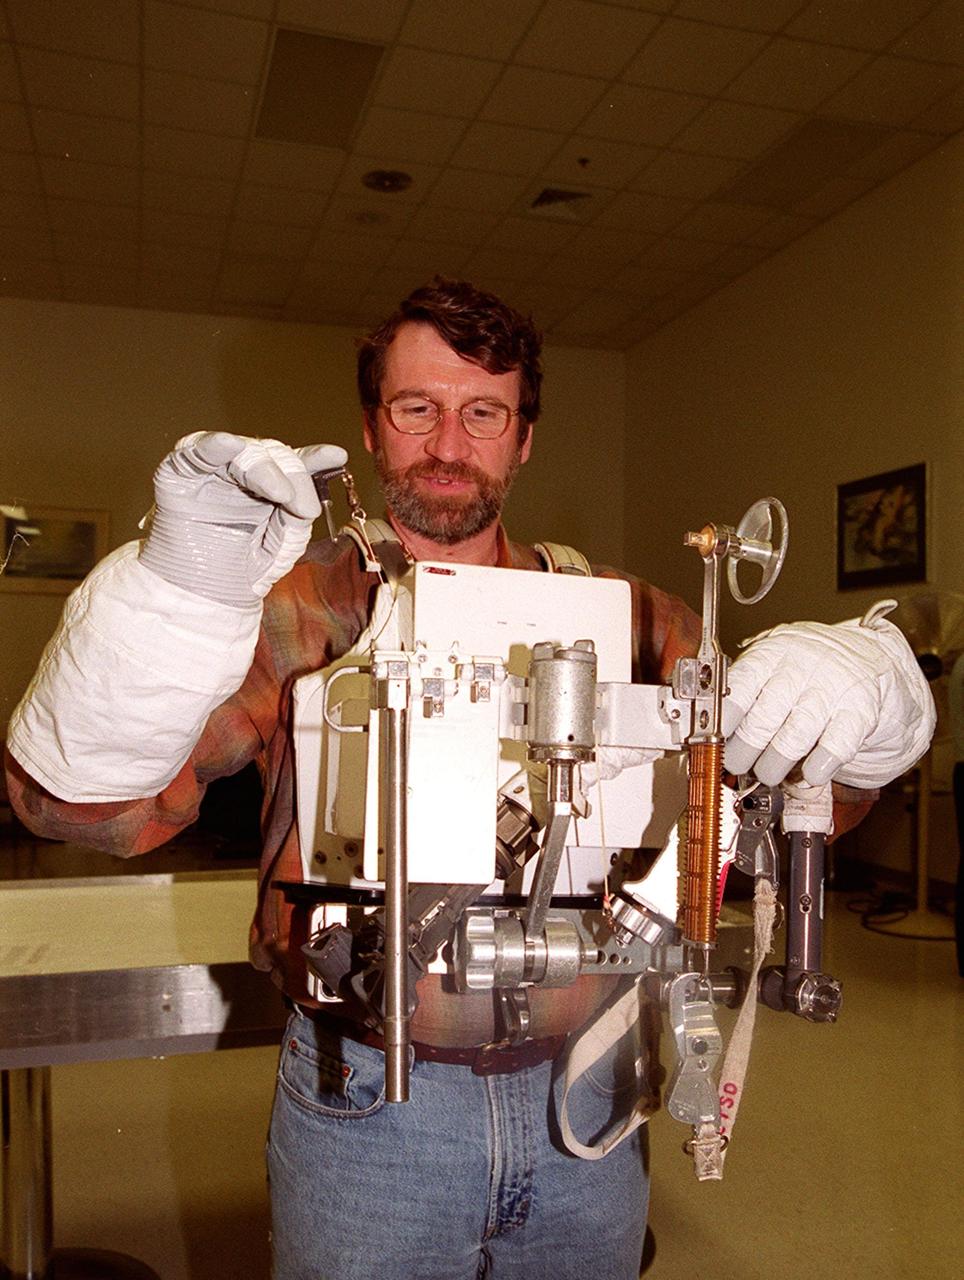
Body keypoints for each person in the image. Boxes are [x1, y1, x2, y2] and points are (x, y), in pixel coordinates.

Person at [5, 280, 935, 1280]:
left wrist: (873, 711)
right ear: (372, 426)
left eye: (483, 411)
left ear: (522, 436)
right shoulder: (294, 614)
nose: (448, 443)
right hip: (368, 1098)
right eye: (418, 408)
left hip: (585, 1095)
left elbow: (794, 802)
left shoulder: (628, 618)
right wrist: (172, 604)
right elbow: (82, 809)